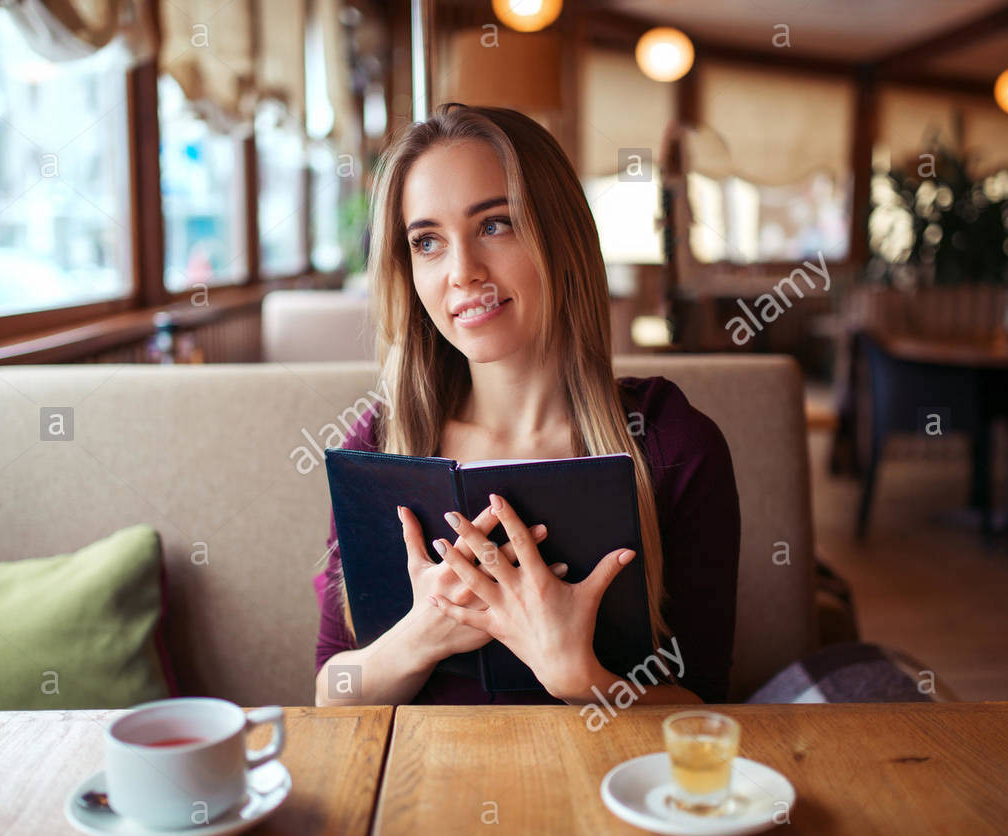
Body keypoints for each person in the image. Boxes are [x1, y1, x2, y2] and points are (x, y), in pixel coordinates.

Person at [314, 103, 739, 706]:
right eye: (428, 242)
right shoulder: (377, 445)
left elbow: (710, 710)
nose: (463, 273)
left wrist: (577, 674)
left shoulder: (672, 444)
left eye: (495, 225)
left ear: (560, 236)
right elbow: (331, 692)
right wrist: (421, 636)